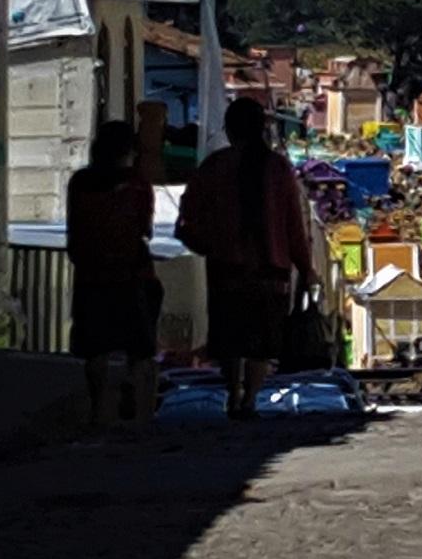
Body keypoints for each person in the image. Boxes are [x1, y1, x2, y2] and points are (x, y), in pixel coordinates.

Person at [178, 97, 317, 421]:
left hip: (227, 268)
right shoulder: (278, 168)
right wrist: (306, 267)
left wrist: (203, 243)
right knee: (261, 341)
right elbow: (293, 225)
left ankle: (233, 394)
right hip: (271, 270)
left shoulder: (214, 166)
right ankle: (250, 399)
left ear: (229, 129)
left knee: (230, 338)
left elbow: (189, 213)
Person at [68, 120, 162, 423]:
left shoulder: (80, 182)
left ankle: (98, 408)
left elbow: (75, 226)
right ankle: (136, 400)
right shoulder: (137, 184)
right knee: (139, 348)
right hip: (132, 274)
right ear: (130, 150)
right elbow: (145, 229)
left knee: (95, 348)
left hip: (91, 274)